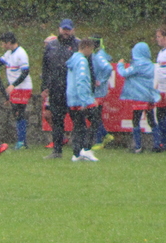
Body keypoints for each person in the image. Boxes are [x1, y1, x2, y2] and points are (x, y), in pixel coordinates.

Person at [41, 19, 80, 159]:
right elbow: (45, 68)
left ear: (73, 30)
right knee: (57, 120)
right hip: (56, 89)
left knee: (77, 120)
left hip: (73, 89)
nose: (66, 32)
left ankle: (79, 151)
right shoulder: (51, 46)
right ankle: (57, 151)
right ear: (59, 29)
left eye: (68, 29)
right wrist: (44, 87)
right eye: (64, 29)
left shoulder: (78, 45)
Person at [116, 42, 161, 153]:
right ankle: (157, 144)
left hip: (139, 97)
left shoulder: (137, 65)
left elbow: (124, 73)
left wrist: (120, 65)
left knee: (136, 121)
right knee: (151, 121)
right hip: (149, 96)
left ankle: (138, 146)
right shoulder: (150, 64)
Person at [66, 38, 100, 162]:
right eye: (91, 50)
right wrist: (85, 100)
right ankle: (86, 149)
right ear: (87, 48)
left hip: (72, 97)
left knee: (78, 125)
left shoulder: (73, 59)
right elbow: (81, 81)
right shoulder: (82, 61)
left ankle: (76, 153)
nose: (91, 53)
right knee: (95, 120)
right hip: (81, 98)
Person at [0, 32, 32, 150]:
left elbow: (25, 72)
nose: (2, 45)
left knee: (19, 112)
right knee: (16, 112)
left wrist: (13, 85)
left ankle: (22, 142)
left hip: (23, 87)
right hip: (15, 88)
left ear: (9, 42)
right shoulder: (8, 53)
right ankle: (21, 141)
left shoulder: (21, 53)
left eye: (3, 43)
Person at [89, 37, 114, 150]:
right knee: (95, 116)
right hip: (97, 91)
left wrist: (100, 80)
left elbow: (108, 68)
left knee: (95, 116)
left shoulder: (99, 56)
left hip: (98, 92)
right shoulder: (98, 54)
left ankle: (100, 140)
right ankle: (105, 135)